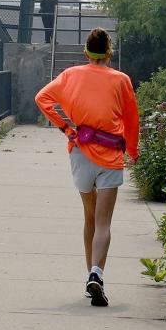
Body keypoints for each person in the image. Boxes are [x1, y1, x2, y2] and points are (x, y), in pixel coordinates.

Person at [34, 28, 138, 307]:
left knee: (89, 217)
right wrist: (134, 150)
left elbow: (42, 98)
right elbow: (131, 119)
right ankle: (97, 273)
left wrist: (66, 128)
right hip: (111, 155)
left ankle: (89, 274)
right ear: (108, 52)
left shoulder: (70, 76)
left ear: (86, 52)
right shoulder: (121, 80)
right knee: (104, 223)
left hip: (80, 152)